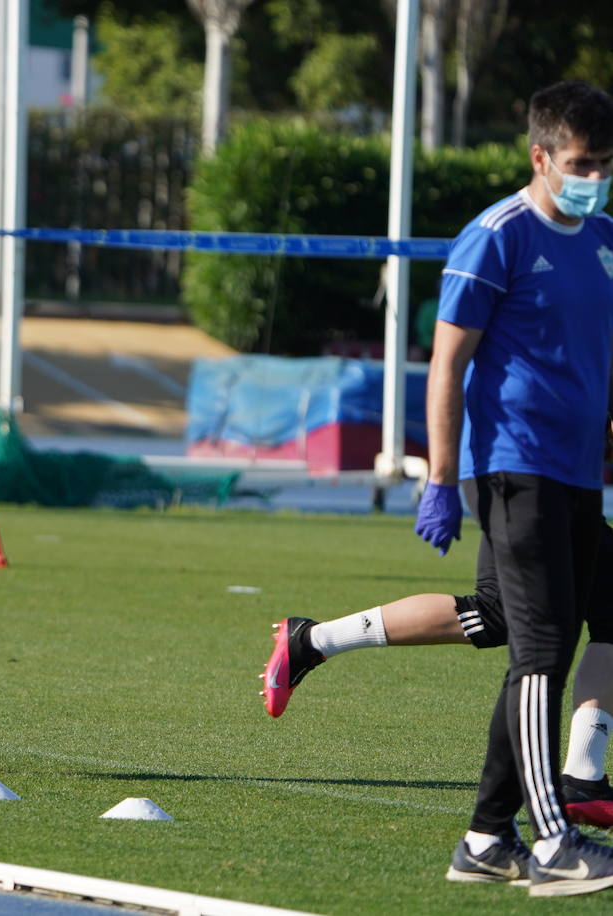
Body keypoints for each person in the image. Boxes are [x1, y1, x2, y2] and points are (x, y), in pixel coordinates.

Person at [385, 80, 613, 896]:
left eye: (606, 163)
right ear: (541, 156)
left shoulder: (605, 238)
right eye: (581, 163)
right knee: (542, 647)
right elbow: (447, 363)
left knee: (530, 631)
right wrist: (442, 480)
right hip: (514, 468)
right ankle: (552, 843)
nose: (594, 177)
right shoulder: (497, 237)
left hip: (579, 473)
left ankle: (486, 838)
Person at [260, 522, 613, 816]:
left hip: (554, 477)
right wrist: (442, 483)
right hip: (534, 476)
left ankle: (584, 777)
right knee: (495, 613)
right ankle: (313, 640)